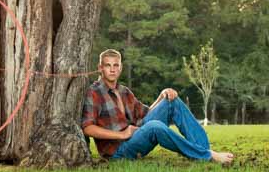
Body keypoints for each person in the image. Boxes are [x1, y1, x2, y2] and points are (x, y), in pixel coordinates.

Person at [80, 48, 234, 164]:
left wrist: (162, 96)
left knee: (171, 101)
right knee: (155, 126)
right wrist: (122, 134)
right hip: (118, 152)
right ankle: (207, 156)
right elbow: (87, 128)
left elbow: (146, 114)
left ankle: (204, 151)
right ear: (100, 68)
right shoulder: (94, 92)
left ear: (120, 68)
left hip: (136, 137)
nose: (112, 69)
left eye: (116, 65)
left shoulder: (123, 91)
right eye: (108, 65)